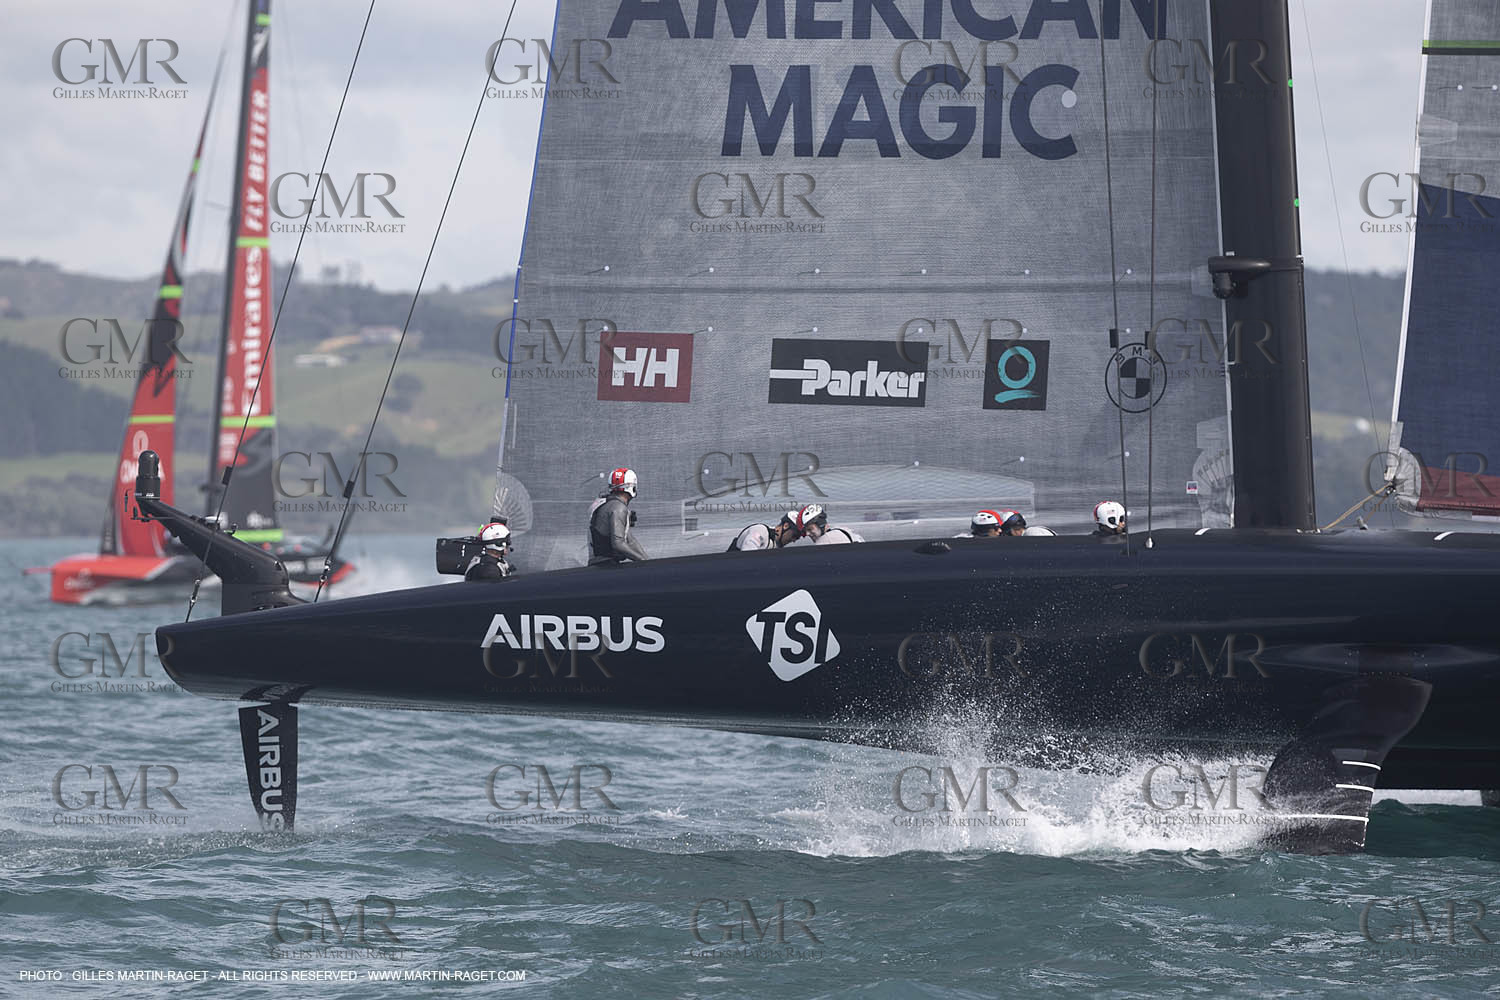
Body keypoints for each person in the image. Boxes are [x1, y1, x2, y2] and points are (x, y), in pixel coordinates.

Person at [589, 467, 649, 565]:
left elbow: (630, 540)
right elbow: (618, 543)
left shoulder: (605, 504)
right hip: (606, 566)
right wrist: (642, 561)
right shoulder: (618, 508)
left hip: (600, 564)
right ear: (632, 488)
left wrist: (647, 560)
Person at [728, 510, 803, 551]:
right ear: (786, 526)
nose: (794, 540)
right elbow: (747, 558)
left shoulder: (776, 546)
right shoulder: (760, 531)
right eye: (794, 535)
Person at [795, 503, 864, 544]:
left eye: (810, 529)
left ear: (820, 523)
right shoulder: (843, 530)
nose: (807, 534)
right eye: (805, 531)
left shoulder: (824, 540)